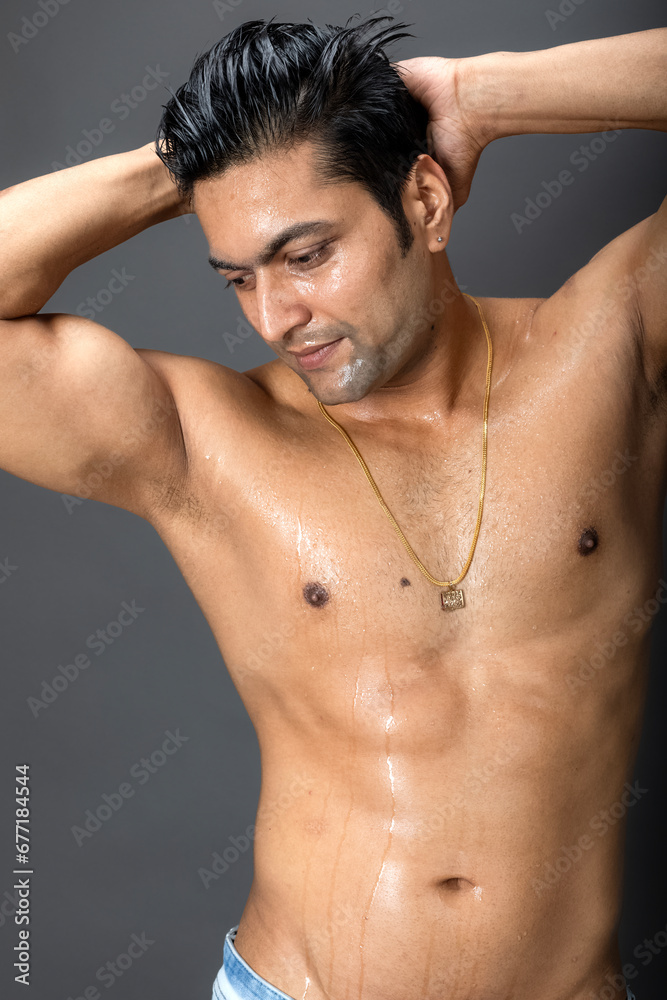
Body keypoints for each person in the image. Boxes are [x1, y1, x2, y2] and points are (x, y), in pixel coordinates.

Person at [1, 13, 664, 1000]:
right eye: (238, 275)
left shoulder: (608, 355)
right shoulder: (206, 442)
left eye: (306, 254)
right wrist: (190, 167)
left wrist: (482, 96)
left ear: (425, 201)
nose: (275, 318)